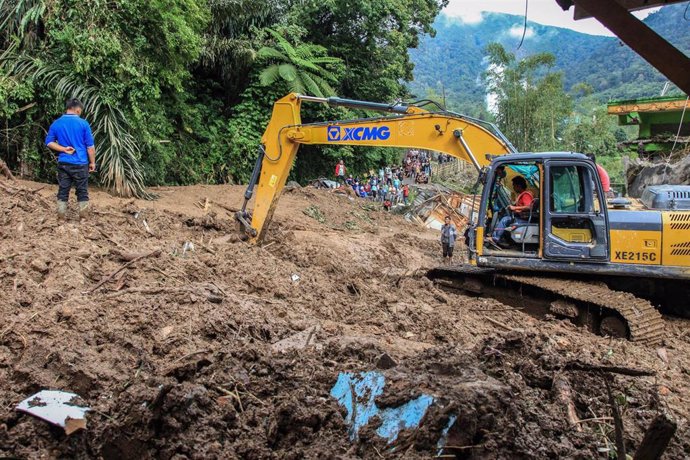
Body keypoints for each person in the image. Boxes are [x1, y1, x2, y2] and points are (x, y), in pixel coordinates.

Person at [45, 98, 96, 220]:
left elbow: (49, 142)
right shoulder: (83, 124)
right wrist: (92, 162)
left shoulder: (56, 123)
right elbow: (90, 147)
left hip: (64, 162)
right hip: (81, 163)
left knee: (63, 190)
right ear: (78, 109)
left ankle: (61, 217)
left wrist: (63, 149)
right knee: (82, 191)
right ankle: (83, 217)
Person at [490, 176, 533, 245]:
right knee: (504, 216)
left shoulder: (526, 195)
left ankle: (495, 238)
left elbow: (529, 207)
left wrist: (514, 208)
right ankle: (503, 239)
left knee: (505, 219)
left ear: (519, 186)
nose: (513, 187)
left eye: (514, 185)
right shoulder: (521, 195)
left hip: (524, 219)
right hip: (520, 217)